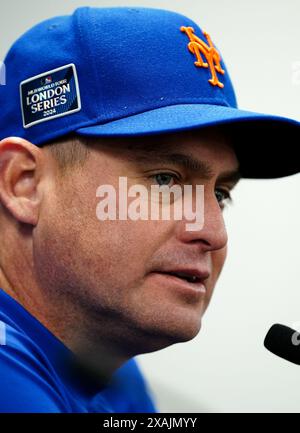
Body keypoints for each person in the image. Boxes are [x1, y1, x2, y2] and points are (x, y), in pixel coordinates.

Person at [0, 6, 298, 413]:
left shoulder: (104, 367)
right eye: (165, 181)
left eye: (221, 194)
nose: (214, 233)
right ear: (24, 185)